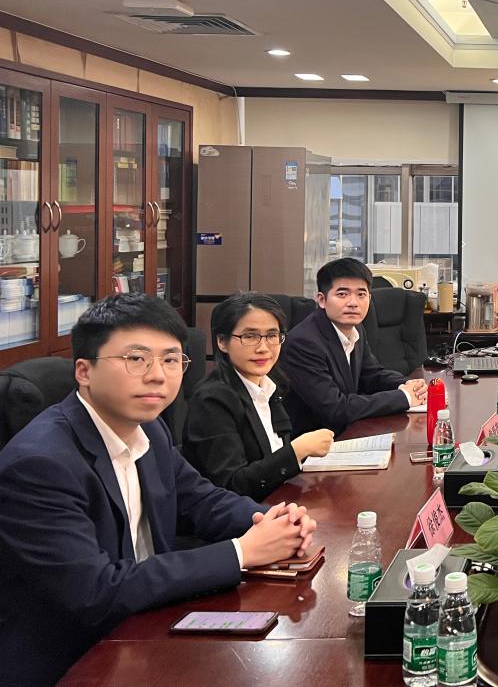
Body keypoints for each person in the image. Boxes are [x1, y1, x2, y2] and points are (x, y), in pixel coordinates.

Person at [0, 293, 318, 685]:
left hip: (149, 623)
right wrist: (243, 551)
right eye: (136, 359)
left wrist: (274, 520)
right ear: (84, 371)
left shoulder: (149, 429)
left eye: (170, 360)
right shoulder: (39, 463)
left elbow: (201, 499)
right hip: (74, 658)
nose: (158, 375)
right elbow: (95, 592)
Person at [185, 293, 335, 500]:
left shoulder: (271, 385)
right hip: (245, 515)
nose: (263, 348)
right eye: (250, 336)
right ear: (222, 341)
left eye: (272, 335)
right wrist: (297, 451)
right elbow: (232, 486)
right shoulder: (212, 401)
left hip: (279, 501)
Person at [279, 257, 424, 433]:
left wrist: (410, 385)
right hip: (315, 442)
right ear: (322, 300)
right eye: (342, 294)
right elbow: (335, 408)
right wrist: (404, 397)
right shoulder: (303, 343)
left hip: (348, 431)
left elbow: (371, 375)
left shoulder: (355, 329)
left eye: (361, 294)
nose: (353, 303)